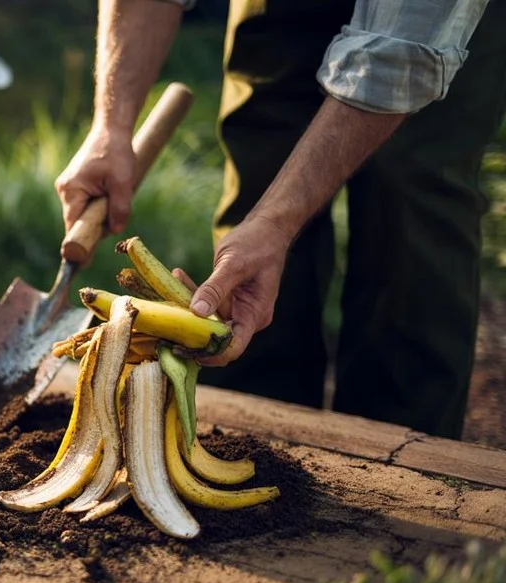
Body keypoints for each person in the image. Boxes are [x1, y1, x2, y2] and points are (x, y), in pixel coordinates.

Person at [55, 0, 506, 440]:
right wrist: (110, 127)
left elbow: (397, 56)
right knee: (257, 194)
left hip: (425, 26)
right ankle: (243, 437)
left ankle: (405, 464)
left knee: (411, 201)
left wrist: (276, 221)